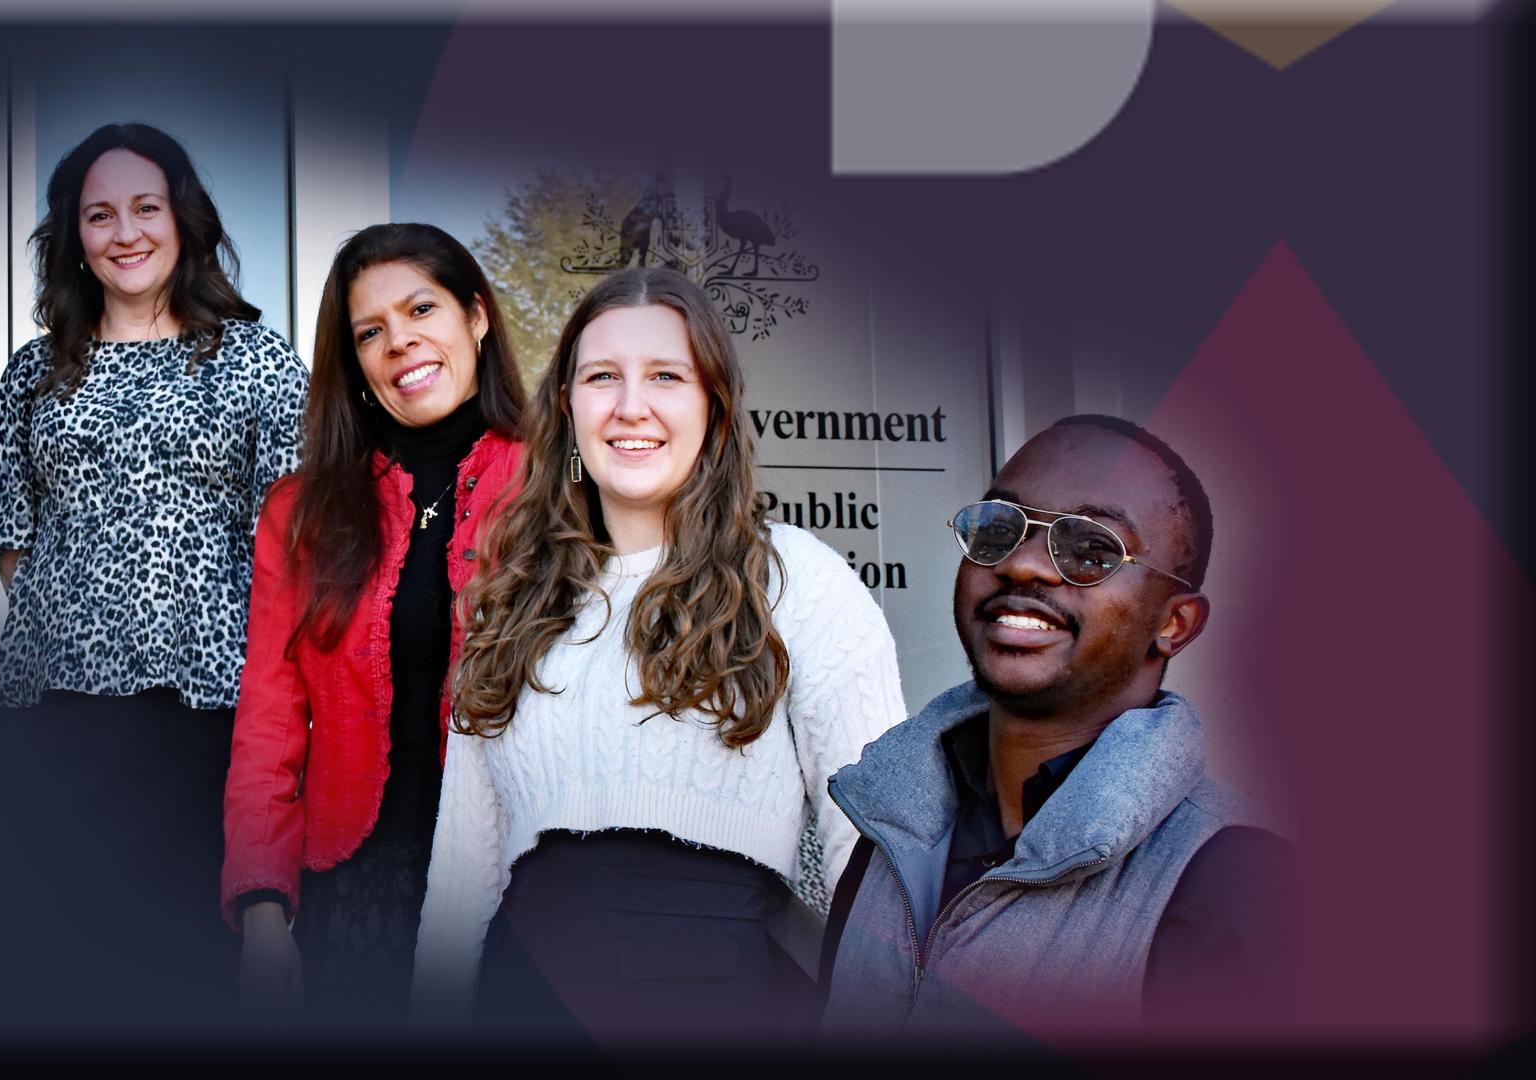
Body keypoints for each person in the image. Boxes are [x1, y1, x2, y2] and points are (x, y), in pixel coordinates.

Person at [410, 267, 906, 1045]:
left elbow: (874, 855)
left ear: (712, 405)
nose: (630, 406)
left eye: (666, 376)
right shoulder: (512, 602)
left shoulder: (798, 581)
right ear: (567, 406)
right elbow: (463, 870)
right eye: (602, 376)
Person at [0, 122, 307, 1024]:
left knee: (190, 977)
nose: (125, 232)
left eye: (145, 207)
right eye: (99, 214)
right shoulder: (34, 372)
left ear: (182, 218)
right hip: (52, 721)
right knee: (51, 974)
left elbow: (297, 540)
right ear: (74, 235)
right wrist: (86, 623)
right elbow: (7, 537)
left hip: (206, 720)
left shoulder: (257, 360)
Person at [820, 415, 1298, 1042]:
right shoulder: (890, 831)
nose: (1023, 566)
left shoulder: (1236, 879)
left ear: (1174, 623)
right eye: (998, 528)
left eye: (1091, 550)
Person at [221, 223, 529, 1026]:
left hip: (520, 890)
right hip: (357, 893)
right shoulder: (302, 512)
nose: (401, 342)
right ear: (354, 362)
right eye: (370, 332)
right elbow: (267, 721)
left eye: (421, 308)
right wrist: (261, 908)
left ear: (477, 316)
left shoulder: (556, 482)